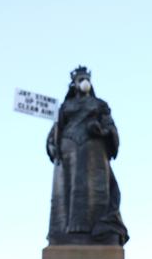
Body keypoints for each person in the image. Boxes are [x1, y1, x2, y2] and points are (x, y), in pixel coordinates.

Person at [46, 66, 128, 246]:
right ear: (74, 84)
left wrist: (102, 130)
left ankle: (99, 230)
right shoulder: (64, 107)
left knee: (95, 191)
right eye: (80, 78)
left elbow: (110, 126)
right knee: (67, 192)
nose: (84, 81)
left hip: (94, 152)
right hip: (68, 152)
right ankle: (65, 233)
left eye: (86, 78)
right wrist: (54, 145)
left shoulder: (100, 105)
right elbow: (55, 132)